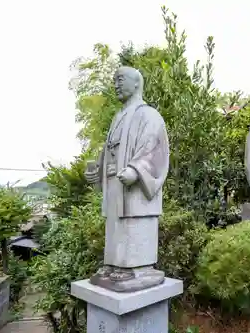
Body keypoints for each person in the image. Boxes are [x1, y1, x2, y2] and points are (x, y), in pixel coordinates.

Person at [84, 66, 170, 292]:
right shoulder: (118, 117)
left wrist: (136, 169)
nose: (116, 84)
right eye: (115, 80)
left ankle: (137, 268)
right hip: (115, 183)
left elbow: (154, 149)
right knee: (115, 225)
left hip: (135, 184)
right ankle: (113, 265)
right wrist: (98, 171)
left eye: (120, 79)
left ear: (136, 83)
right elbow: (110, 150)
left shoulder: (148, 114)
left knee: (133, 223)